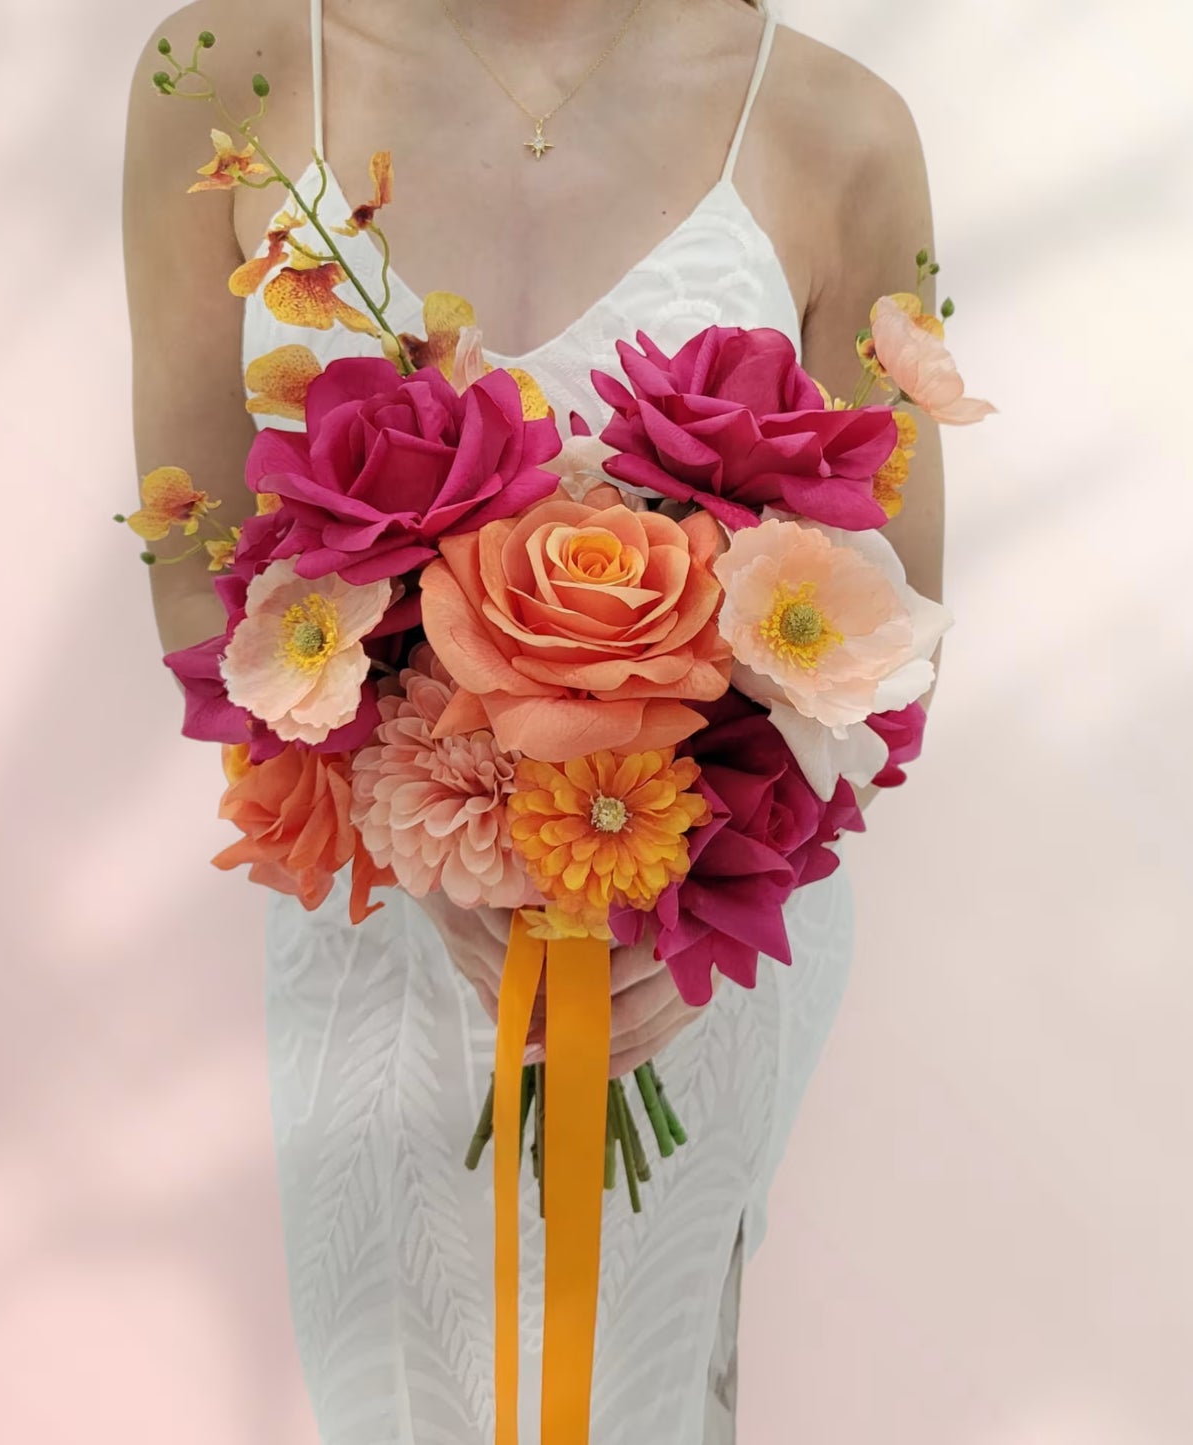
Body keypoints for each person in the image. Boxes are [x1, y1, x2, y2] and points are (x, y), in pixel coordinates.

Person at [123, 0, 945, 1439]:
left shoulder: (839, 125)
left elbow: (889, 626)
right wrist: (424, 837)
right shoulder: (228, 75)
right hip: (379, 919)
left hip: (692, 941)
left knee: (647, 1388)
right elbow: (195, 559)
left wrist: (693, 911)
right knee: (394, 1392)